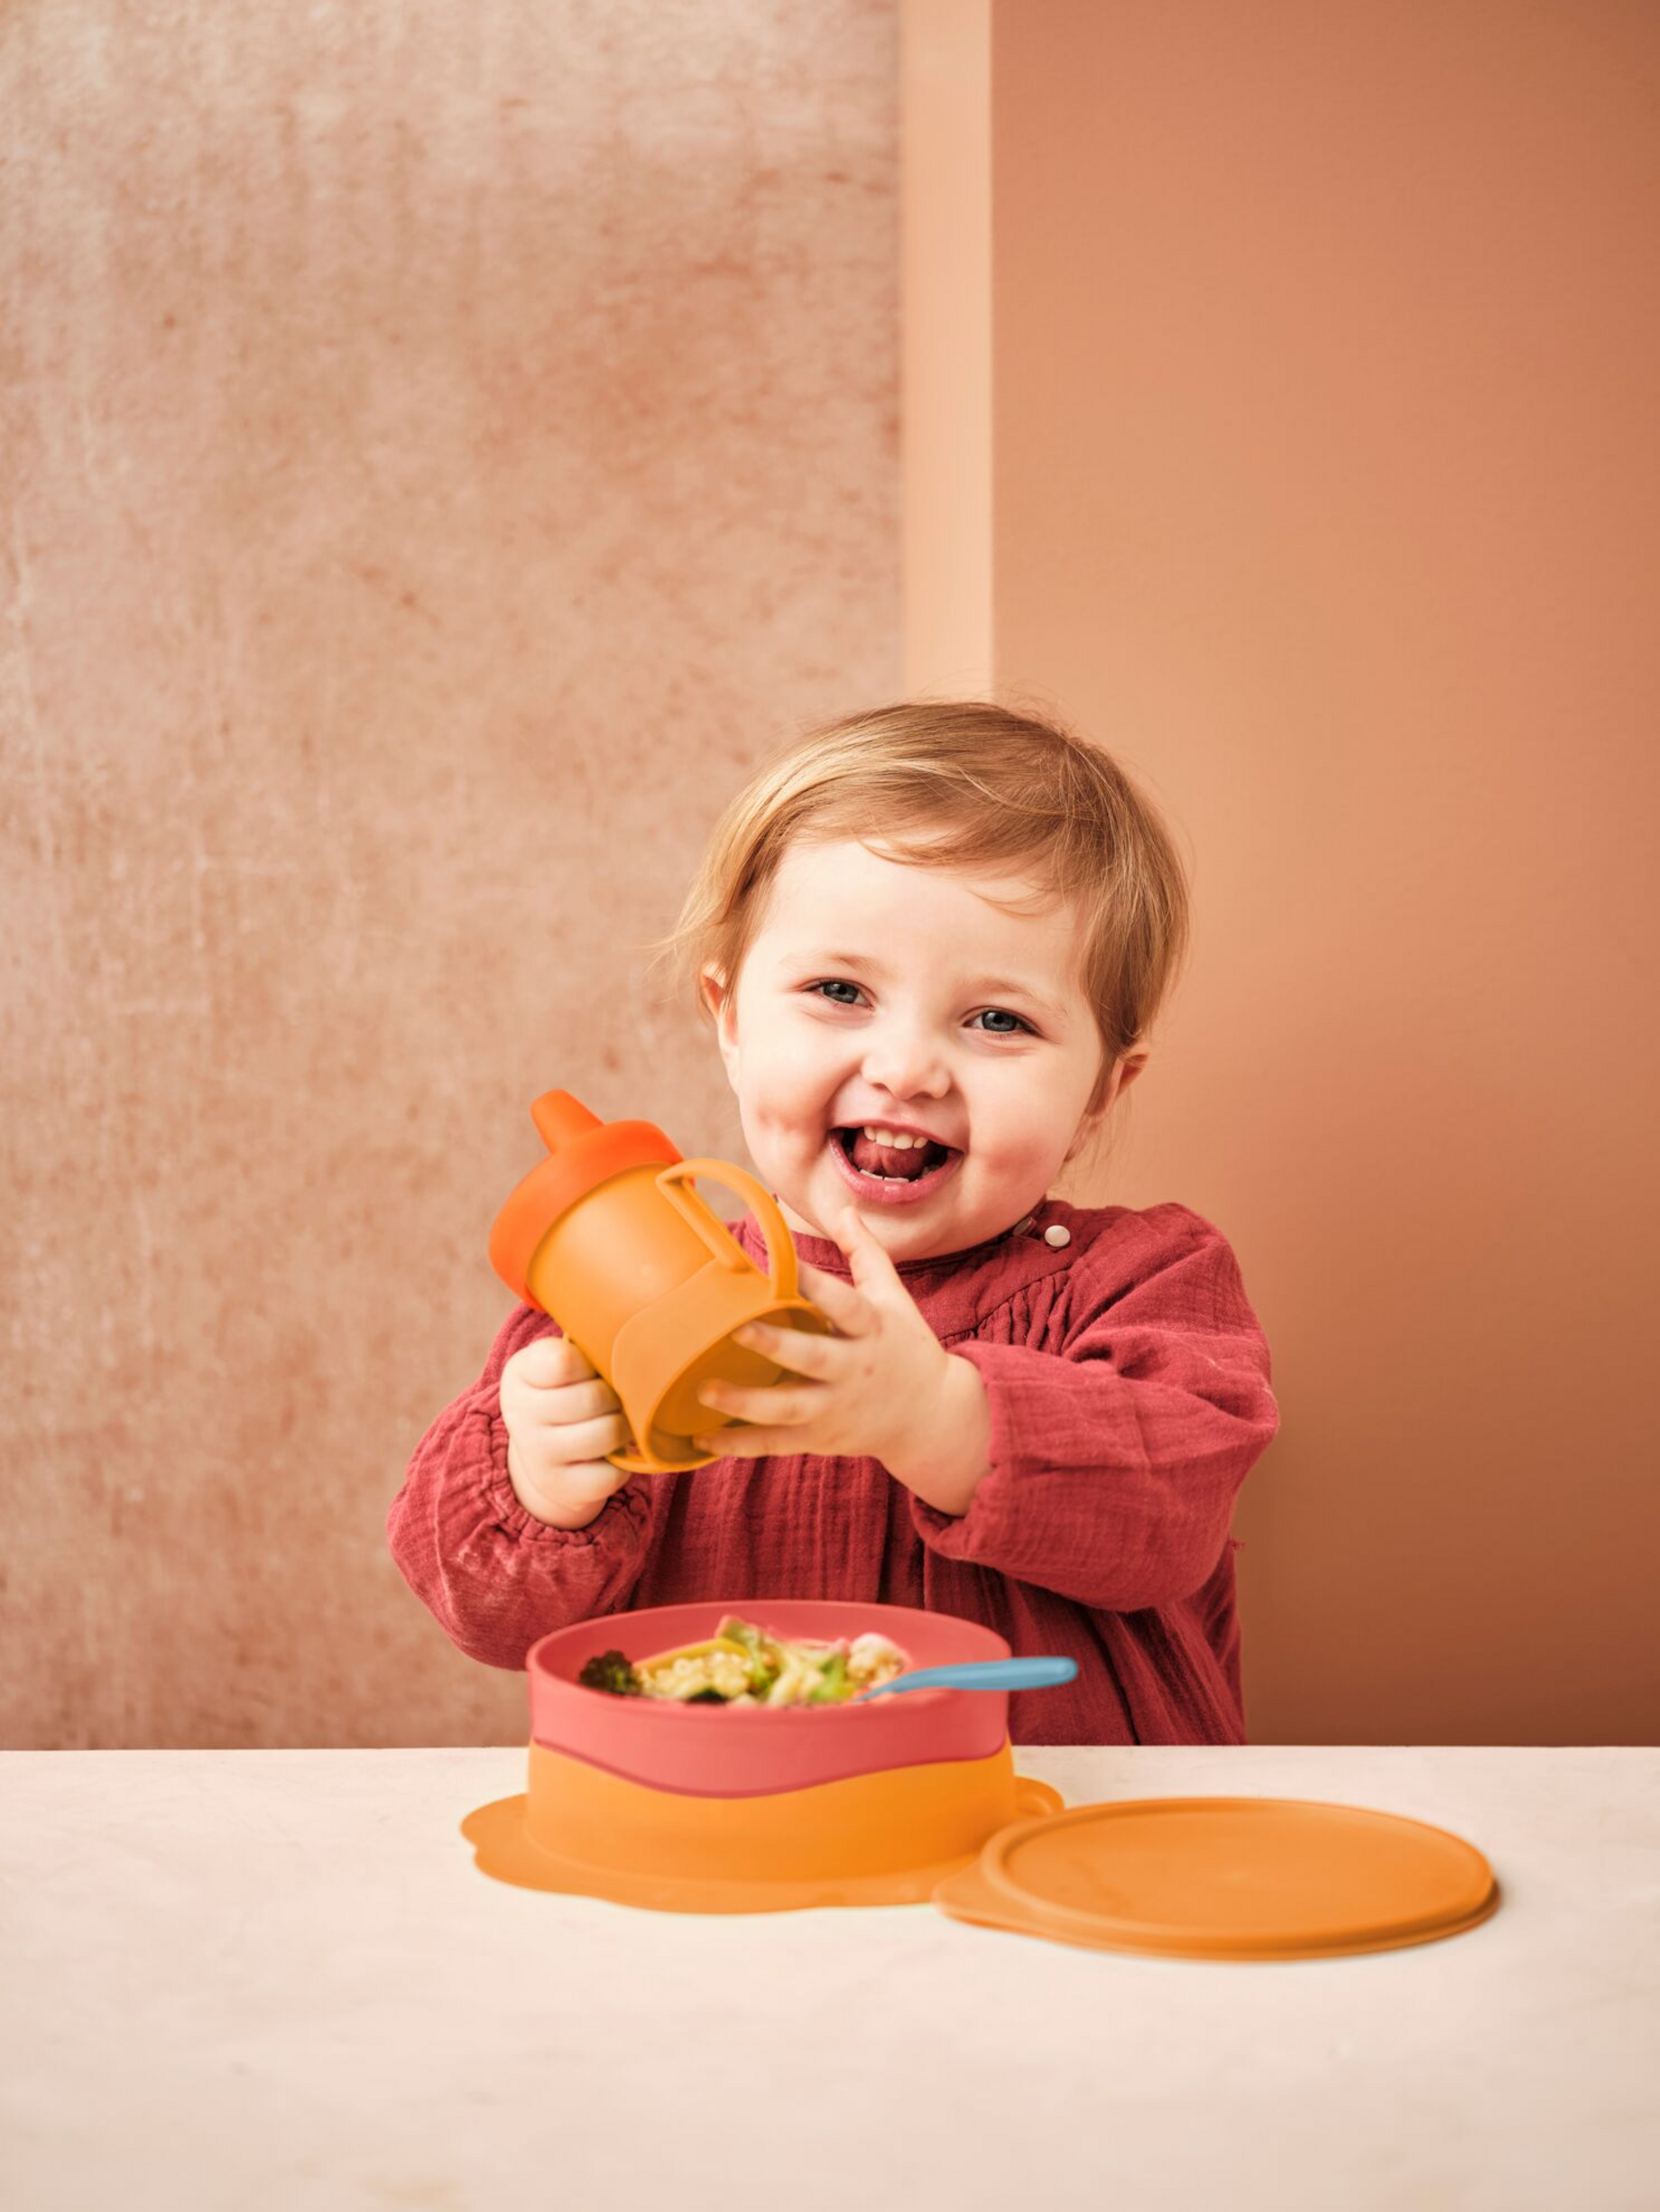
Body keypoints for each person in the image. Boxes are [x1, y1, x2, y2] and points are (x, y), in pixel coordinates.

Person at [388, 700, 1281, 1743]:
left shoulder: (1147, 1276)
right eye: (839, 989)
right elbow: (486, 1614)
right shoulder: (633, 1286)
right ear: (729, 1018)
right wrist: (543, 1483)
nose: (904, 1067)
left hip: (1060, 1836)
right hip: (733, 1844)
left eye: (998, 1019)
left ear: (1099, 1093)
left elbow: (1170, 1520)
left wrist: (936, 1417)